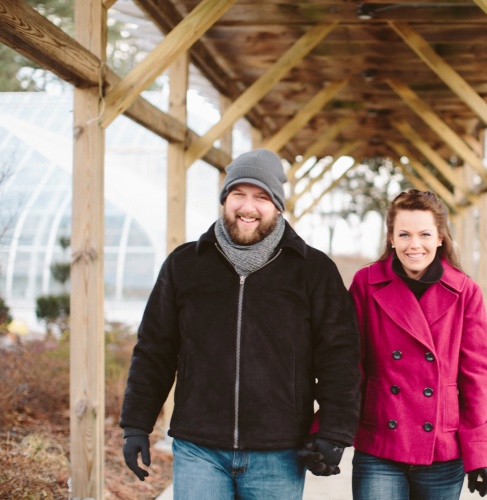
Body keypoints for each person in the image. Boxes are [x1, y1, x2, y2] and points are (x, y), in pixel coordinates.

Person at [119, 148, 361, 499]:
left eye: (261, 197)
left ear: (277, 205)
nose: (248, 207)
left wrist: (335, 430)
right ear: (225, 199)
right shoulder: (185, 264)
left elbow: (339, 357)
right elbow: (154, 350)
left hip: (278, 451)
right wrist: (136, 425)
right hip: (199, 447)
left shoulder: (313, 270)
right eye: (239, 194)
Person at [348, 190, 487, 499]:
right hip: (380, 444)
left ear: (441, 237)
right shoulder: (365, 283)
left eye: (424, 234)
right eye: (404, 234)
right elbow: (350, 364)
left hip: (442, 449)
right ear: (391, 238)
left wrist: (481, 451)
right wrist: (331, 429)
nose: (414, 244)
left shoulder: (465, 292)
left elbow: (476, 377)